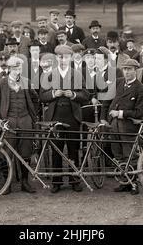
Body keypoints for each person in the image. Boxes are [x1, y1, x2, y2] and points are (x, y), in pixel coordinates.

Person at [39, 45, 89, 193]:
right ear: (56, 58)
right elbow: (42, 95)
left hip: (72, 117)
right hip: (55, 117)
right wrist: (54, 93)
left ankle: (74, 180)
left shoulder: (77, 74)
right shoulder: (49, 75)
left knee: (73, 148)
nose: (63, 60)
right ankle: (57, 181)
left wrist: (73, 95)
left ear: (71, 58)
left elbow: (86, 95)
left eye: (66, 57)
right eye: (60, 57)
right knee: (56, 149)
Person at [0, 56, 39, 194]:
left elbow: (35, 99)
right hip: (8, 122)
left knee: (26, 152)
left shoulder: (26, 82)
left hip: (25, 121)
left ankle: (24, 182)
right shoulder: (1, 84)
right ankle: (7, 183)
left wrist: (32, 114)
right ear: (9, 69)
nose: (18, 70)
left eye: (20, 68)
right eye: (15, 68)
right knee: (7, 153)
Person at [102, 57, 143, 194]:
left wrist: (121, 113)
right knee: (117, 153)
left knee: (130, 155)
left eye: (130, 70)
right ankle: (123, 181)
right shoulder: (118, 83)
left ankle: (133, 184)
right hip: (114, 125)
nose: (127, 72)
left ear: (136, 71)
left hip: (128, 126)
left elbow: (139, 112)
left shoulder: (141, 88)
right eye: (125, 69)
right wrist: (104, 118)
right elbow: (106, 101)